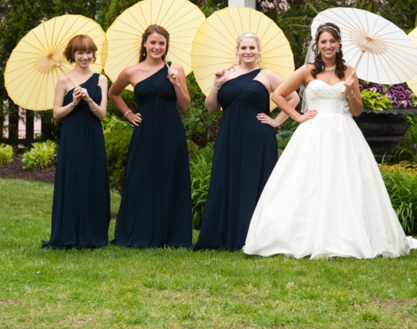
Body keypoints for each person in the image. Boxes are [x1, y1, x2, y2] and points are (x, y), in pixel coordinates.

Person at [243, 22, 417, 259]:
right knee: (306, 181)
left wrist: (350, 92)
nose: (328, 46)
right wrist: (298, 117)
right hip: (313, 131)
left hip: (343, 132)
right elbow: (278, 94)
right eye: (323, 41)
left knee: (345, 182)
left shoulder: (349, 72)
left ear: (338, 44)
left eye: (332, 41)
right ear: (317, 45)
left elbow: (357, 111)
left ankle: (345, 235)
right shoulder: (307, 70)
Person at [192, 32, 299, 251]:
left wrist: (276, 120)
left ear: (259, 51)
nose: (248, 52)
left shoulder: (266, 75)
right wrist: (216, 84)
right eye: (244, 48)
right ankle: (225, 235)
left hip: (257, 136)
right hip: (229, 135)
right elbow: (211, 107)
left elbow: (294, 97)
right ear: (237, 51)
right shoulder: (226, 74)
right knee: (227, 180)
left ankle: (254, 237)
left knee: (254, 182)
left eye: (252, 48)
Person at [108, 25, 192, 248]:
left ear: (166, 46)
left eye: (161, 43)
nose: (157, 47)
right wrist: (128, 114)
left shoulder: (176, 69)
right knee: (141, 178)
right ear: (145, 43)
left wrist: (175, 84)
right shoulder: (131, 71)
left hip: (171, 132)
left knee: (170, 177)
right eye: (153, 42)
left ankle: (170, 234)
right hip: (144, 132)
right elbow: (113, 93)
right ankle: (140, 230)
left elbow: (185, 106)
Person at [42, 35, 110, 249]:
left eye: (88, 52)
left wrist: (89, 99)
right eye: (80, 52)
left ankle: (94, 233)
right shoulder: (63, 80)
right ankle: (69, 233)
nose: (85, 56)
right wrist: (73, 103)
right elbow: (56, 114)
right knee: (72, 180)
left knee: (94, 179)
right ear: (72, 54)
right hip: (72, 136)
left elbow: (102, 115)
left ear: (93, 54)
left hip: (94, 136)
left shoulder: (101, 80)